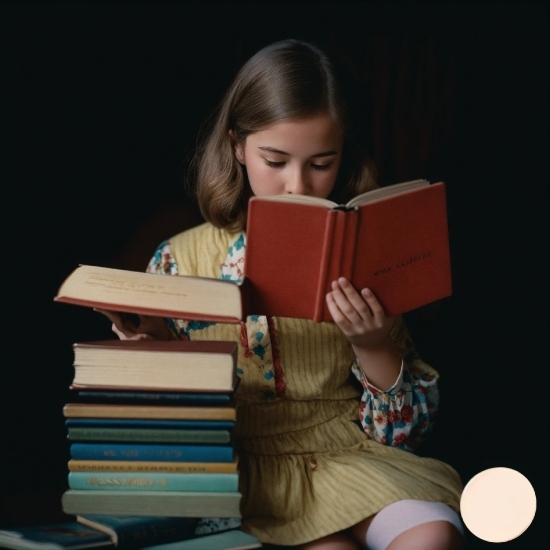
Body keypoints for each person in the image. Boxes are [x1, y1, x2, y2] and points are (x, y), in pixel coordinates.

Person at [98, 39, 466, 550]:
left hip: (349, 455)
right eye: (275, 160)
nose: (298, 185)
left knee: (433, 535)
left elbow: (401, 435)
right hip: (249, 473)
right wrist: (144, 358)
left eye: (321, 163)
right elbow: (163, 423)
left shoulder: (361, 252)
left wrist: (375, 343)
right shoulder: (179, 259)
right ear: (236, 146)